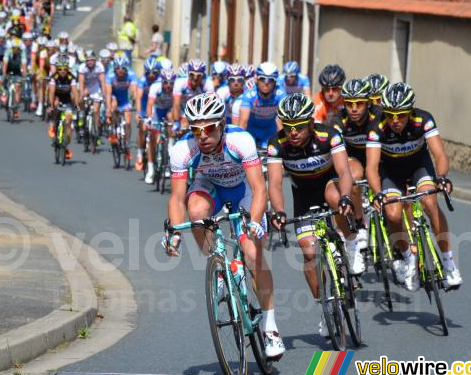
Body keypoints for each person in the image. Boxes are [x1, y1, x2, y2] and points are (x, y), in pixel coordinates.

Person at [164, 93, 285, 359]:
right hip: (211, 189)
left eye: (208, 128)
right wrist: (174, 233)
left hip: (243, 191)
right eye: (195, 129)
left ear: (221, 125)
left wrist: (254, 221)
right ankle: (218, 264)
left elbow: (258, 188)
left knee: (253, 255)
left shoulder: (240, 140)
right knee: (195, 211)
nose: (202, 135)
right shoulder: (182, 150)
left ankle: (270, 328)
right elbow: (176, 198)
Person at [267, 93, 364, 337]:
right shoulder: (276, 144)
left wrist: (345, 197)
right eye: (288, 127)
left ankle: (351, 244)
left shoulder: (328, 136)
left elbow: (343, 170)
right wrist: (279, 212)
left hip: (329, 184)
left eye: (299, 126)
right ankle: (325, 308)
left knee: (336, 199)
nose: (293, 133)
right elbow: (276, 184)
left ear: (310, 123)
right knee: (309, 254)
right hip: (303, 197)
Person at [365, 82, 462, 291]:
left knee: (429, 202)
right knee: (392, 214)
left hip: (419, 166)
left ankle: (448, 262)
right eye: (390, 115)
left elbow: (439, 154)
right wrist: (378, 193)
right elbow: (372, 167)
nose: (395, 120)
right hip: (391, 172)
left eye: (400, 115)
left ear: (409, 111)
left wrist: (442, 177)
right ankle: (408, 257)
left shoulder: (423, 119)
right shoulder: (377, 127)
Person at [332, 78, 379, 249]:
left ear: (368, 103)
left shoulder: (379, 115)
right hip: (354, 156)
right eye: (349, 103)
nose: (353, 108)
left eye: (359, 103)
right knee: (354, 178)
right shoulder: (339, 119)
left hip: (377, 155)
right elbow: (336, 149)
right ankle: (360, 222)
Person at [236, 62, 286, 149]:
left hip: (269, 131)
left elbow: (282, 122)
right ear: (256, 79)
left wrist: (284, 143)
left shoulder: (281, 93)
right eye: (262, 79)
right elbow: (242, 123)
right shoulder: (249, 94)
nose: (266, 83)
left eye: (270, 80)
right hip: (251, 130)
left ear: (275, 81)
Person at [144, 68, 177, 184]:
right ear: (162, 81)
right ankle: (151, 169)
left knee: (171, 120)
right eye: (166, 82)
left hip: (169, 111)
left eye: (171, 83)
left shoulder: (176, 89)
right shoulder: (155, 87)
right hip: (157, 112)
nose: (168, 85)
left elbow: (177, 106)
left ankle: (169, 156)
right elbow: (149, 105)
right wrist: (148, 119)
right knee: (152, 137)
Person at [48, 59, 80, 160]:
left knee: (68, 121)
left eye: (65, 69)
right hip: (57, 97)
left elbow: (75, 92)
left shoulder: (71, 77)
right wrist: (51, 105)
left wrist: (77, 105)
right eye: (60, 69)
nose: (62, 71)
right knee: (55, 105)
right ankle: (53, 124)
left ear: (67, 69)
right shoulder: (54, 77)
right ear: (57, 69)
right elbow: (52, 92)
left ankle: (65, 145)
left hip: (67, 99)